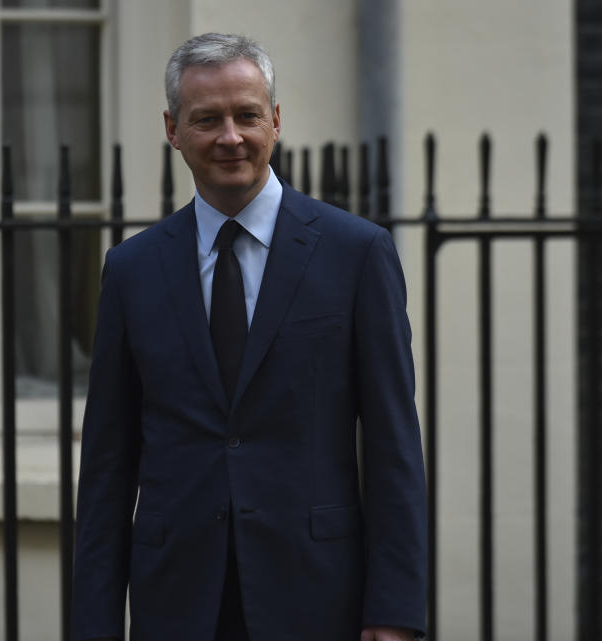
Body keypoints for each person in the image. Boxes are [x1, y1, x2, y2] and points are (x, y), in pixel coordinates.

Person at [71, 33, 426, 641]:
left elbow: (394, 446)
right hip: (176, 600)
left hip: (318, 596)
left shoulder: (356, 254)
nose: (230, 137)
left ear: (276, 120)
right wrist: (96, 623)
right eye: (206, 118)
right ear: (172, 129)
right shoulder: (132, 270)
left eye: (247, 115)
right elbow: (108, 464)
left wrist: (393, 614)